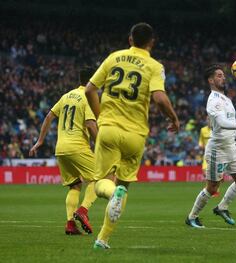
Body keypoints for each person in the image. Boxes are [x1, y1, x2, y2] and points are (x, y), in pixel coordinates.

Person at [85, 23, 180, 249]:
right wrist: (174, 118)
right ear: (152, 43)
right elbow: (159, 98)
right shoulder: (155, 66)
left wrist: (102, 117)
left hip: (109, 129)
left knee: (100, 184)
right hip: (136, 135)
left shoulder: (113, 58)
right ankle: (102, 239)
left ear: (130, 39)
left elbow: (90, 89)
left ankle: (111, 194)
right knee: (124, 186)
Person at [186, 64, 236, 228]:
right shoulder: (213, 100)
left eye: (223, 75)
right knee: (212, 187)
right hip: (218, 149)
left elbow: (230, 124)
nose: (223, 77)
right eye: (219, 75)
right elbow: (222, 123)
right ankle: (192, 217)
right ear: (211, 80)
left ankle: (222, 207)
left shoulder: (227, 100)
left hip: (231, 148)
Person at [29, 68, 98, 235]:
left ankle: (70, 224)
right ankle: (83, 210)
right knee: (100, 177)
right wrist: (102, 145)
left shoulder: (67, 95)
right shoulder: (88, 97)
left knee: (75, 185)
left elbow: (48, 117)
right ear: (93, 81)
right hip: (77, 146)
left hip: (60, 148)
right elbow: (90, 124)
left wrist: (40, 141)